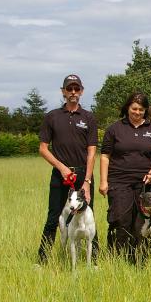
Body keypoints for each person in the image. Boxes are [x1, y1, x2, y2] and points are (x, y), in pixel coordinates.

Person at [37, 74, 99, 264]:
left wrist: (87, 182)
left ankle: (94, 260)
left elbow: (91, 152)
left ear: (81, 91)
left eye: (76, 89)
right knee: (53, 216)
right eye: (69, 89)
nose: (73, 92)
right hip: (60, 175)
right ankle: (42, 260)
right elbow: (43, 149)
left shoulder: (89, 117)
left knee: (89, 215)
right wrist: (62, 168)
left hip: (83, 174)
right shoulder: (52, 117)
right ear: (63, 91)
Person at [99, 92, 151, 262]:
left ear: (145, 110)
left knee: (142, 222)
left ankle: (140, 259)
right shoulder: (114, 129)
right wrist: (103, 181)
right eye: (134, 108)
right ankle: (117, 258)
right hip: (119, 181)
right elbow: (105, 156)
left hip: (145, 183)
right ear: (127, 108)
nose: (137, 112)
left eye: (141, 109)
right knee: (120, 219)